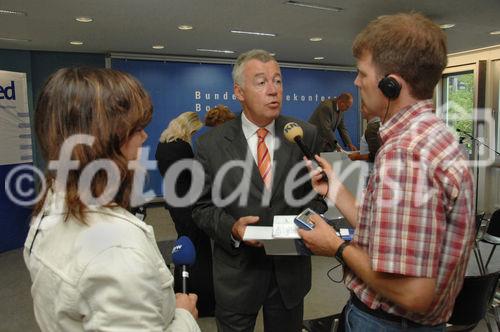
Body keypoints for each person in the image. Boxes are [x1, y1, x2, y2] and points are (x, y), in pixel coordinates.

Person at [299, 13, 475, 331]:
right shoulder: (432, 134)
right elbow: (387, 232)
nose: (356, 81)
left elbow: (414, 293)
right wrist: (335, 189)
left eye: (362, 73)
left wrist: (335, 246)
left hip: (387, 323)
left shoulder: (405, 153)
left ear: (391, 84)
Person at [24, 68, 200, 332]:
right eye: (137, 129)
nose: (144, 137)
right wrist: (185, 317)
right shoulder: (116, 251)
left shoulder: (51, 205)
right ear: (103, 138)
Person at [192, 49, 327, 332]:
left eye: (277, 81)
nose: (273, 90)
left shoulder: (304, 134)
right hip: (237, 274)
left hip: (289, 272)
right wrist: (232, 228)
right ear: (239, 92)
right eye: (262, 82)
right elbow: (201, 208)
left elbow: (316, 196)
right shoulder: (211, 144)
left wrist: (306, 220)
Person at [155, 111, 215, 317]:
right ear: (188, 128)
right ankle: (204, 302)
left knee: (184, 247)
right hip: (189, 204)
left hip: (174, 202)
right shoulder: (182, 147)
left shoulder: (162, 145)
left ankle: (181, 294)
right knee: (200, 250)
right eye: (194, 131)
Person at [348, 102, 381, 183]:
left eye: (362, 108)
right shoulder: (376, 125)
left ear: (369, 110)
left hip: (370, 172)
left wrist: (356, 157)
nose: (360, 110)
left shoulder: (372, 128)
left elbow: (375, 155)